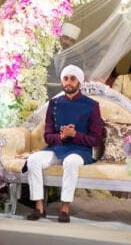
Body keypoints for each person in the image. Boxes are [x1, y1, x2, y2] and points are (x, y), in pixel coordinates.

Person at [25, 65, 103, 223]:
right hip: (57, 147)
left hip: (80, 151)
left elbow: (95, 139)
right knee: (33, 160)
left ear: (79, 82)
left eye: (72, 79)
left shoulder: (92, 106)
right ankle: (39, 207)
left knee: (70, 162)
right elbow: (48, 136)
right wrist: (61, 136)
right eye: (65, 78)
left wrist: (75, 134)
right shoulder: (54, 104)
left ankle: (64, 208)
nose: (68, 82)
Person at [47, 22, 81, 97]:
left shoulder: (77, 57)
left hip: (63, 96)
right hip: (43, 93)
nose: (68, 42)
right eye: (65, 38)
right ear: (59, 37)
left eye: (72, 41)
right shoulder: (45, 50)